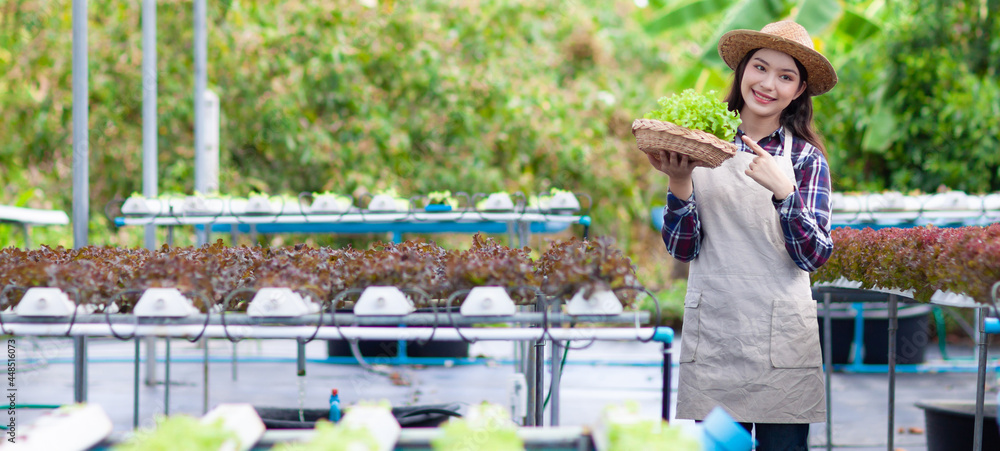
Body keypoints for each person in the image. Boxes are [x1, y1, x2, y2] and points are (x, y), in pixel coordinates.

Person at [647, 21, 836, 450]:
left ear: (799, 90)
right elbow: (682, 249)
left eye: (786, 76)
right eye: (760, 67)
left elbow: (815, 256)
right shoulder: (699, 144)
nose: (768, 84)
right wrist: (680, 183)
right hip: (718, 337)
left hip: (783, 345)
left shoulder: (805, 160)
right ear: (742, 72)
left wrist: (785, 192)